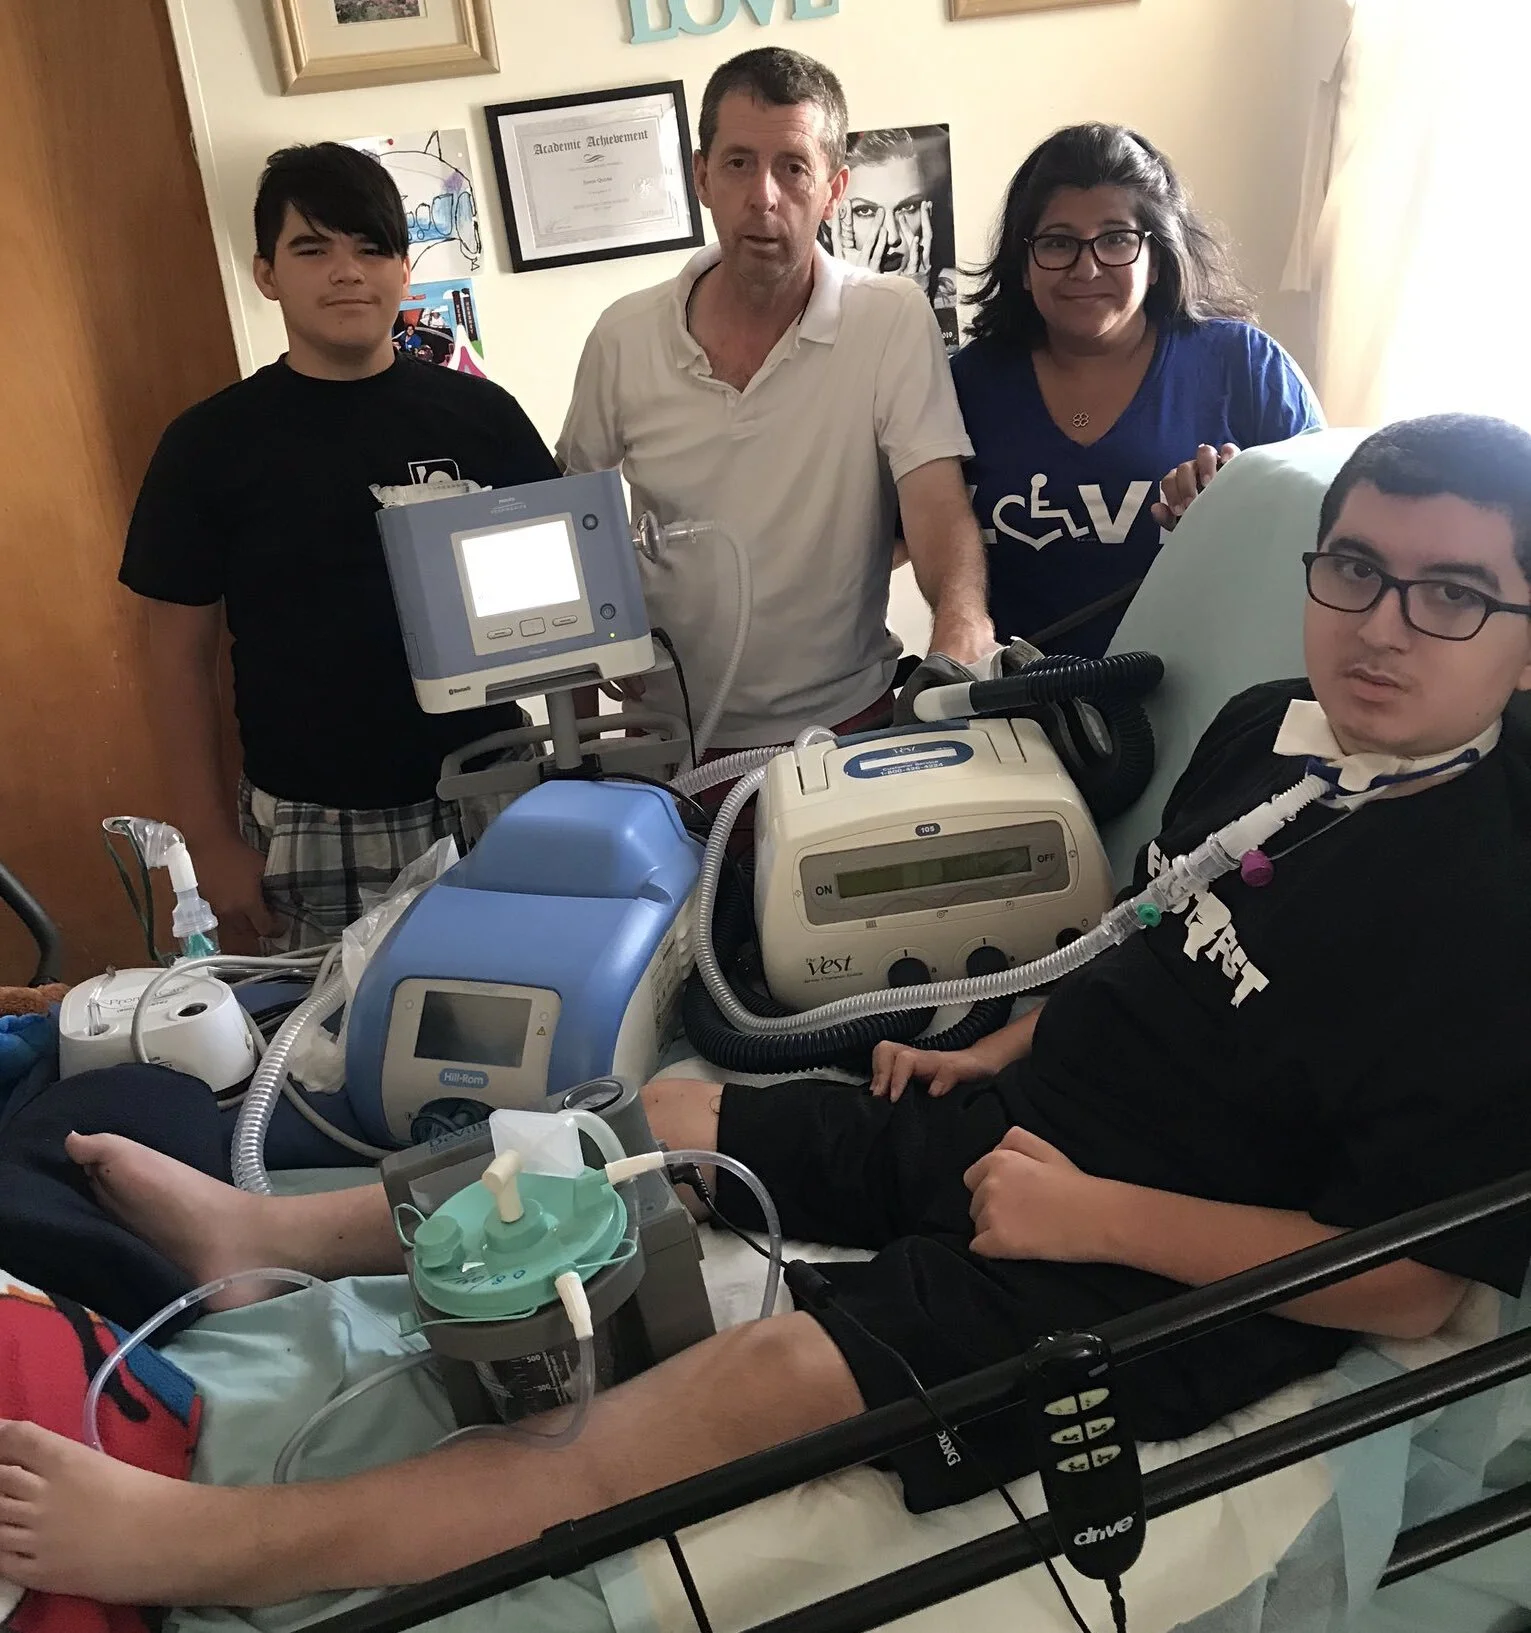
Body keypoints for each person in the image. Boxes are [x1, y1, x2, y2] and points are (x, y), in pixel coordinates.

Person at [7, 415, 1531, 1611]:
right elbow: (1159, 926)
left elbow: (1409, 1289)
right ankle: (266, 1235)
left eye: (1451, 594)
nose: (1380, 625)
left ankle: (216, 1543)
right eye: (1351, 568)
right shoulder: (1273, 731)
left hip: (1163, 1263)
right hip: (1028, 1126)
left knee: (762, 1376)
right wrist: (1005, 1041)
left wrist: (1091, 1217)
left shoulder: (1483, 913)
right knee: (662, 1116)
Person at [119, 143, 559, 950]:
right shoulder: (208, 444)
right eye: (312, 249)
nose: (347, 272)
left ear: (404, 270)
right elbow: (177, 656)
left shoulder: (482, 418)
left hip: (492, 786)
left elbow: (565, 604)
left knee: (523, 994)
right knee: (332, 1024)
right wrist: (207, 838)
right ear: (266, 274)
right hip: (310, 819)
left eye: (370, 247)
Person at [558, 49, 994, 757]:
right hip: (668, 739)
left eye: (793, 167)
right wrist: (586, 702)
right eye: (738, 163)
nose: (763, 196)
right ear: (702, 176)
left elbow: (937, 504)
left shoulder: (888, 318)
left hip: (845, 728)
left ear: (833, 188)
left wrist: (962, 625)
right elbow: (573, 516)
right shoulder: (624, 336)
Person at [953, 123, 1324, 657]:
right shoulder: (964, 384)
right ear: (1024, 267)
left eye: (1116, 239)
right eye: (1057, 243)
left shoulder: (1244, 365)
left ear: (1157, 260)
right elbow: (891, 541)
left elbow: (1329, 538)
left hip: (1208, 691)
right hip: (1013, 698)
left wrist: (1243, 502)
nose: (1086, 268)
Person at [821, 126, 960, 347]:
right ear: (829, 212)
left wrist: (915, 308)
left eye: (908, 207)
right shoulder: (797, 310)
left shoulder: (960, 293)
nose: (892, 237)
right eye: (865, 211)